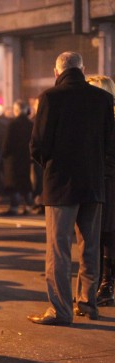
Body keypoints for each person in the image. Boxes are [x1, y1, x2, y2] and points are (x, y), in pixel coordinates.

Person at [28, 52, 115, 326]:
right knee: (90, 246)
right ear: (82, 69)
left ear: (57, 71)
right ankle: (87, 304)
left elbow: (38, 145)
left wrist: (52, 167)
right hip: (93, 184)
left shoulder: (50, 98)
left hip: (60, 185)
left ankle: (60, 310)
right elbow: (110, 145)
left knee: (59, 249)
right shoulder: (103, 99)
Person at [87, 75, 115, 307]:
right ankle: (98, 284)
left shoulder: (109, 119)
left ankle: (106, 284)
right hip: (99, 181)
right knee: (99, 234)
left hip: (108, 182)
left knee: (107, 234)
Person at [1, 100, 34, 216]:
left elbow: (8, 141)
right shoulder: (31, 124)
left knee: (13, 183)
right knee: (25, 181)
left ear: (16, 110)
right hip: (26, 157)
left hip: (13, 158)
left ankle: (14, 206)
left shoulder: (13, 124)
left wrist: (4, 153)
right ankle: (29, 205)